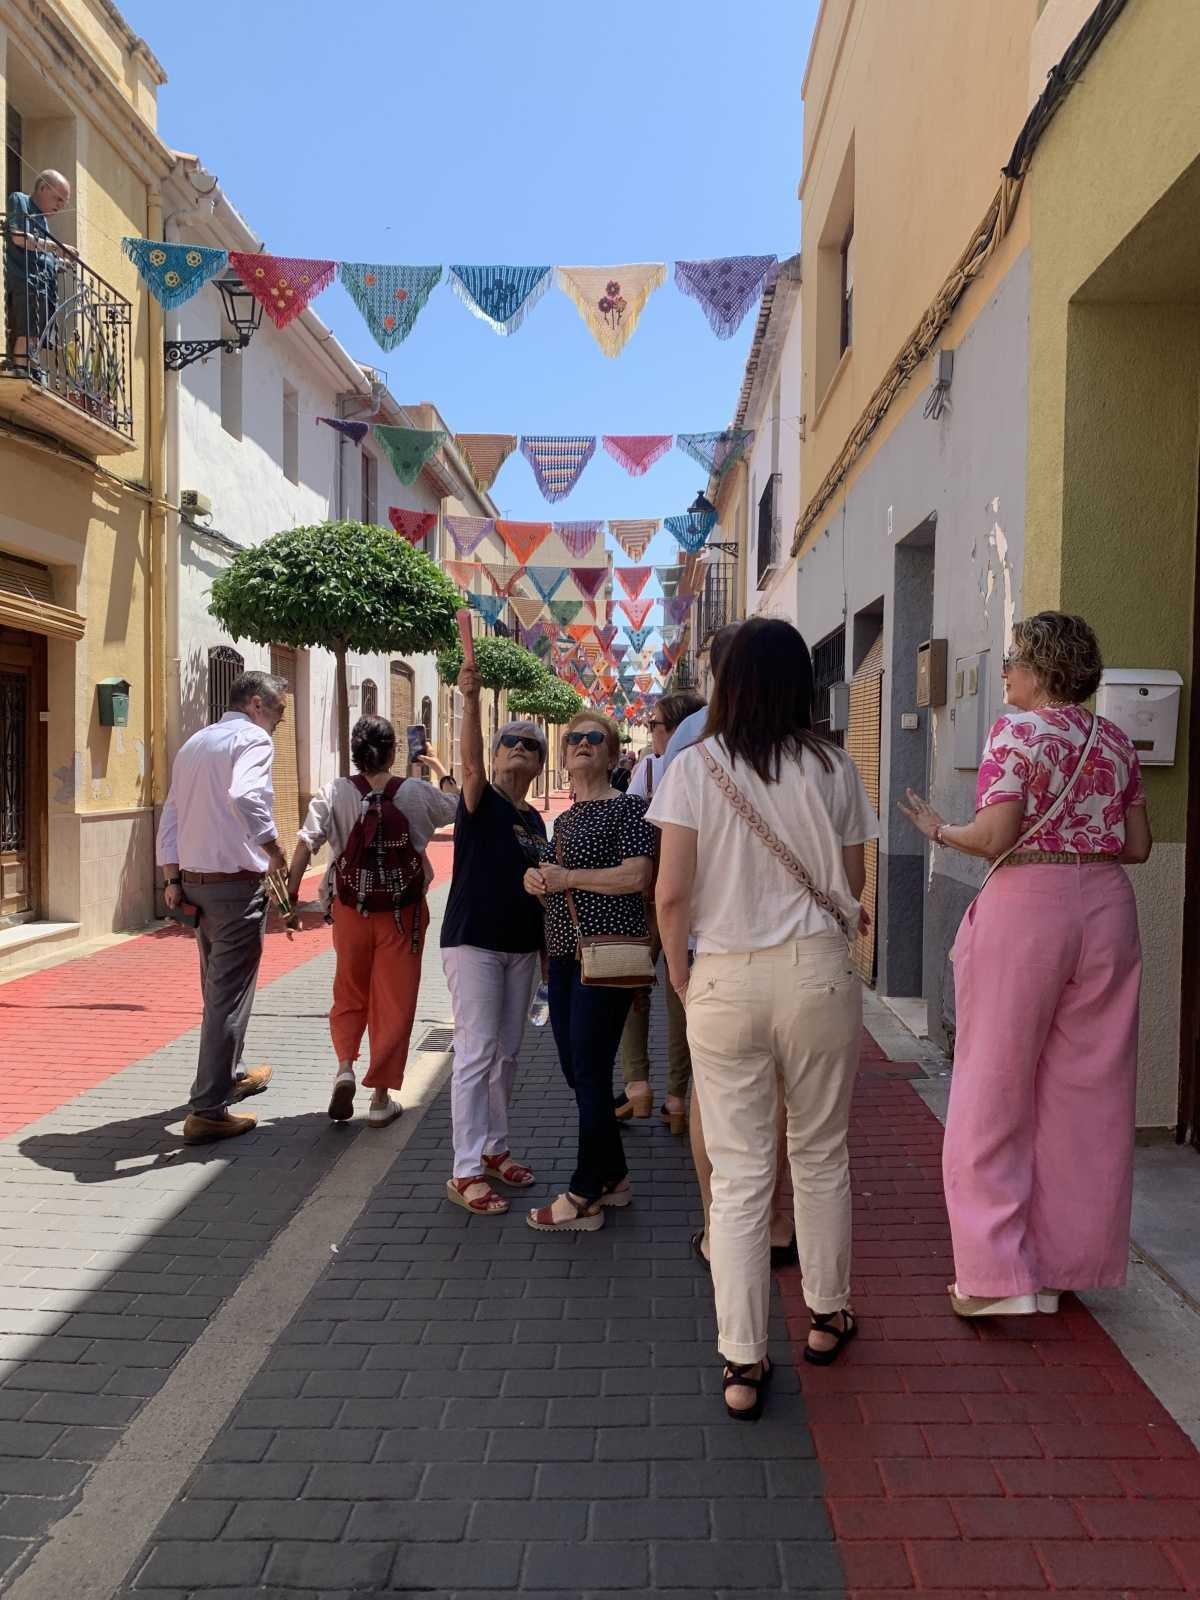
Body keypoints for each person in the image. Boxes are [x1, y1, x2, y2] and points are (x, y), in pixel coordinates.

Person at [652, 619, 877, 1418]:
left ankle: (742, 1362)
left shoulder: (692, 768)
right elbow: (851, 884)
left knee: (741, 1176)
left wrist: (681, 978)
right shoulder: (835, 767)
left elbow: (672, 892)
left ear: (727, 684)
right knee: (820, 1153)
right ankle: (826, 1315)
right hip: (817, 974)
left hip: (722, 980)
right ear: (799, 685)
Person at [899, 612, 1151, 1318]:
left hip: (1029, 903)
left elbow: (997, 834)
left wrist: (941, 830)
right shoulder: (1115, 740)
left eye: (1014, 658)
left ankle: (993, 1275)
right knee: (1089, 1094)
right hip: (1105, 904)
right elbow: (1137, 846)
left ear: (1041, 669)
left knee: (992, 1086)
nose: (1005, 669)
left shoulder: (1016, 732)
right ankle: (1063, 1264)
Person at [287, 715, 456, 1127]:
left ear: (355, 752)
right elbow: (459, 807)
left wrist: (290, 898)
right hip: (404, 914)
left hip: (350, 909)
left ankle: (345, 1066)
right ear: (395, 752)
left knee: (349, 990)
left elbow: (306, 843)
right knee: (394, 1000)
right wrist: (436, 767)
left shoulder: (335, 792)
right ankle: (380, 1097)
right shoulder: (415, 793)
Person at [522, 712, 655, 1232]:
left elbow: (638, 876)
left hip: (605, 956)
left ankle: (583, 1194)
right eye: (572, 738)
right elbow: (561, 882)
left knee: (591, 1072)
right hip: (563, 957)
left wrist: (568, 876)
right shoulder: (568, 819)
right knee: (578, 1071)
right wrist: (538, 880)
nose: (580, 744)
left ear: (613, 751)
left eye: (592, 737)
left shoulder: (628, 808)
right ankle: (616, 1177)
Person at [157, 671, 289, 1144]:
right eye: (278, 711)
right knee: (227, 996)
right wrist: (273, 848)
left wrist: (172, 877)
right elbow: (246, 795)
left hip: (195, 885)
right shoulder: (251, 738)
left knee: (217, 990)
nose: (278, 723)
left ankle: (227, 1075)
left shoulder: (196, 743)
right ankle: (208, 1109)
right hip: (234, 887)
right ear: (257, 704)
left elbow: (171, 814)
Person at [441, 663, 548, 1215]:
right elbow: (468, 762)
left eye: (532, 745)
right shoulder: (479, 800)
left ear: (539, 763)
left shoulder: (535, 820)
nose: (521, 749)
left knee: (507, 1054)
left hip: (521, 948)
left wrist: (548, 956)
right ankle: (464, 1169)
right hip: (474, 942)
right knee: (477, 1051)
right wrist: (471, 698)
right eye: (512, 740)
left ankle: (494, 1148)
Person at [617, 689, 705, 1131]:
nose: (650, 731)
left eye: (654, 724)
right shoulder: (711, 769)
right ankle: (676, 1097)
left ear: (674, 729)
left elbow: (629, 827)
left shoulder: (649, 771)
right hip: (689, 903)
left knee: (632, 990)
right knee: (681, 1001)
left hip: (643, 904)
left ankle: (638, 1085)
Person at [4, 169, 72, 364]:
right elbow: (19, 237)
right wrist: (57, 247)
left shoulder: (42, 219)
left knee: (36, 336)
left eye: (63, 202)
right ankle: (20, 368)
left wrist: (60, 262)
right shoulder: (20, 200)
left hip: (44, 288)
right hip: (25, 282)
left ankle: (30, 368)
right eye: (58, 199)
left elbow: (41, 253)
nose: (60, 206)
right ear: (42, 188)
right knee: (26, 332)